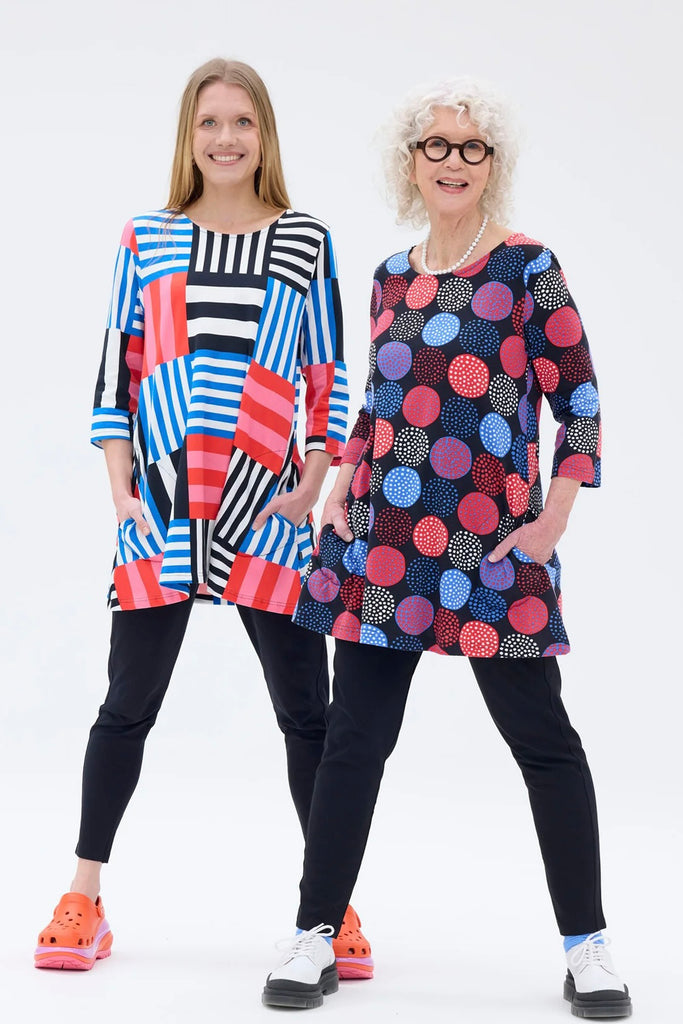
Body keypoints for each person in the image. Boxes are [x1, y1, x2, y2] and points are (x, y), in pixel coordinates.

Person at [262, 78, 632, 1018]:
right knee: (352, 741)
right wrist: (340, 486)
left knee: (542, 742)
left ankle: (587, 947)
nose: (453, 161)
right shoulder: (391, 276)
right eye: (436, 146)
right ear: (411, 162)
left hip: (491, 551)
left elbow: (580, 401)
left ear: (491, 164)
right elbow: (374, 403)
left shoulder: (527, 268)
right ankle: (315, 932)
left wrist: (553, 520)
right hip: (382, 545)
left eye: (471, 148)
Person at [34, 57, 374, 980]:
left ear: (266, 135)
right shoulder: (146, 238)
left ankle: (329, 906)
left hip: (269, 510)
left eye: (243, 122)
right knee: (126, 706)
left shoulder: (304, 240)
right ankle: (83, 896)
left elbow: (326, 380)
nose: (227, 138)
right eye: (210, 122)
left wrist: (311, 482)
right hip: (161, 508)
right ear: (189, 136)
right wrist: (122, 494)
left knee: (307, 715)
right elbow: (117, 375)